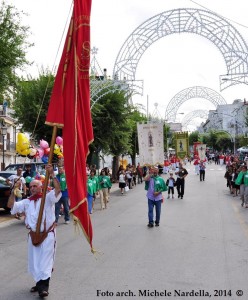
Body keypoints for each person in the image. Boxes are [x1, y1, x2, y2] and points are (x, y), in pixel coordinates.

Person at [7, 164, 61, 298]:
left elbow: (58, 191)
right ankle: (39, 283)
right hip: (33, 236)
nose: (32, 188)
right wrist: (13, 190)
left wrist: (53, 175)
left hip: (47, 235)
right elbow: (11, 206)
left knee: (45, 261)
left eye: (35, 186)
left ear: (41, 186)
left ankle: (44, 288)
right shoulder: (27, 202)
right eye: (30, 186)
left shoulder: (47, 198)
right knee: (35, 261)